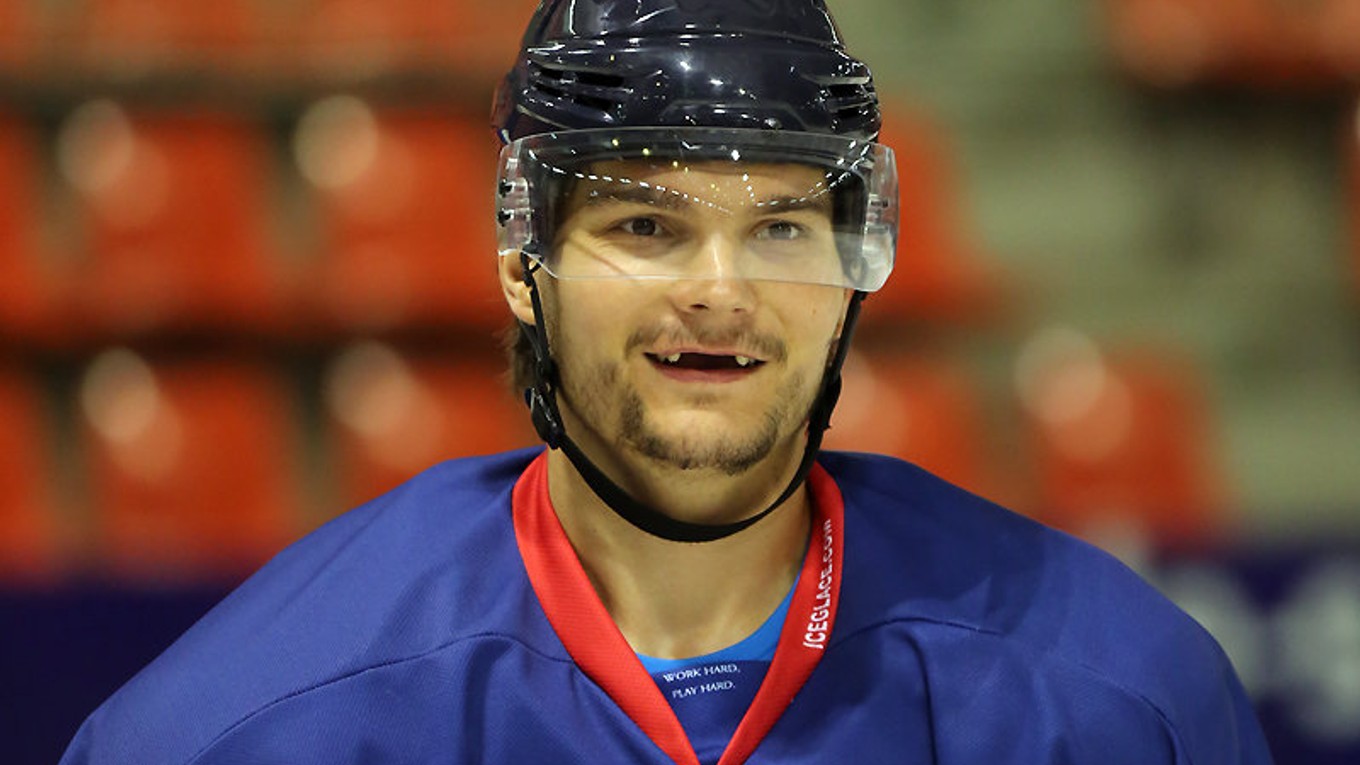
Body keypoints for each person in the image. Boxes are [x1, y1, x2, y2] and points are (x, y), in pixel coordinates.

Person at [62, 1, 1275, 763]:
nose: (722, 290)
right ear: (519, 266)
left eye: (784, 229)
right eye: (645, 228)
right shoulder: (253, 725)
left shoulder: (1123, 698)